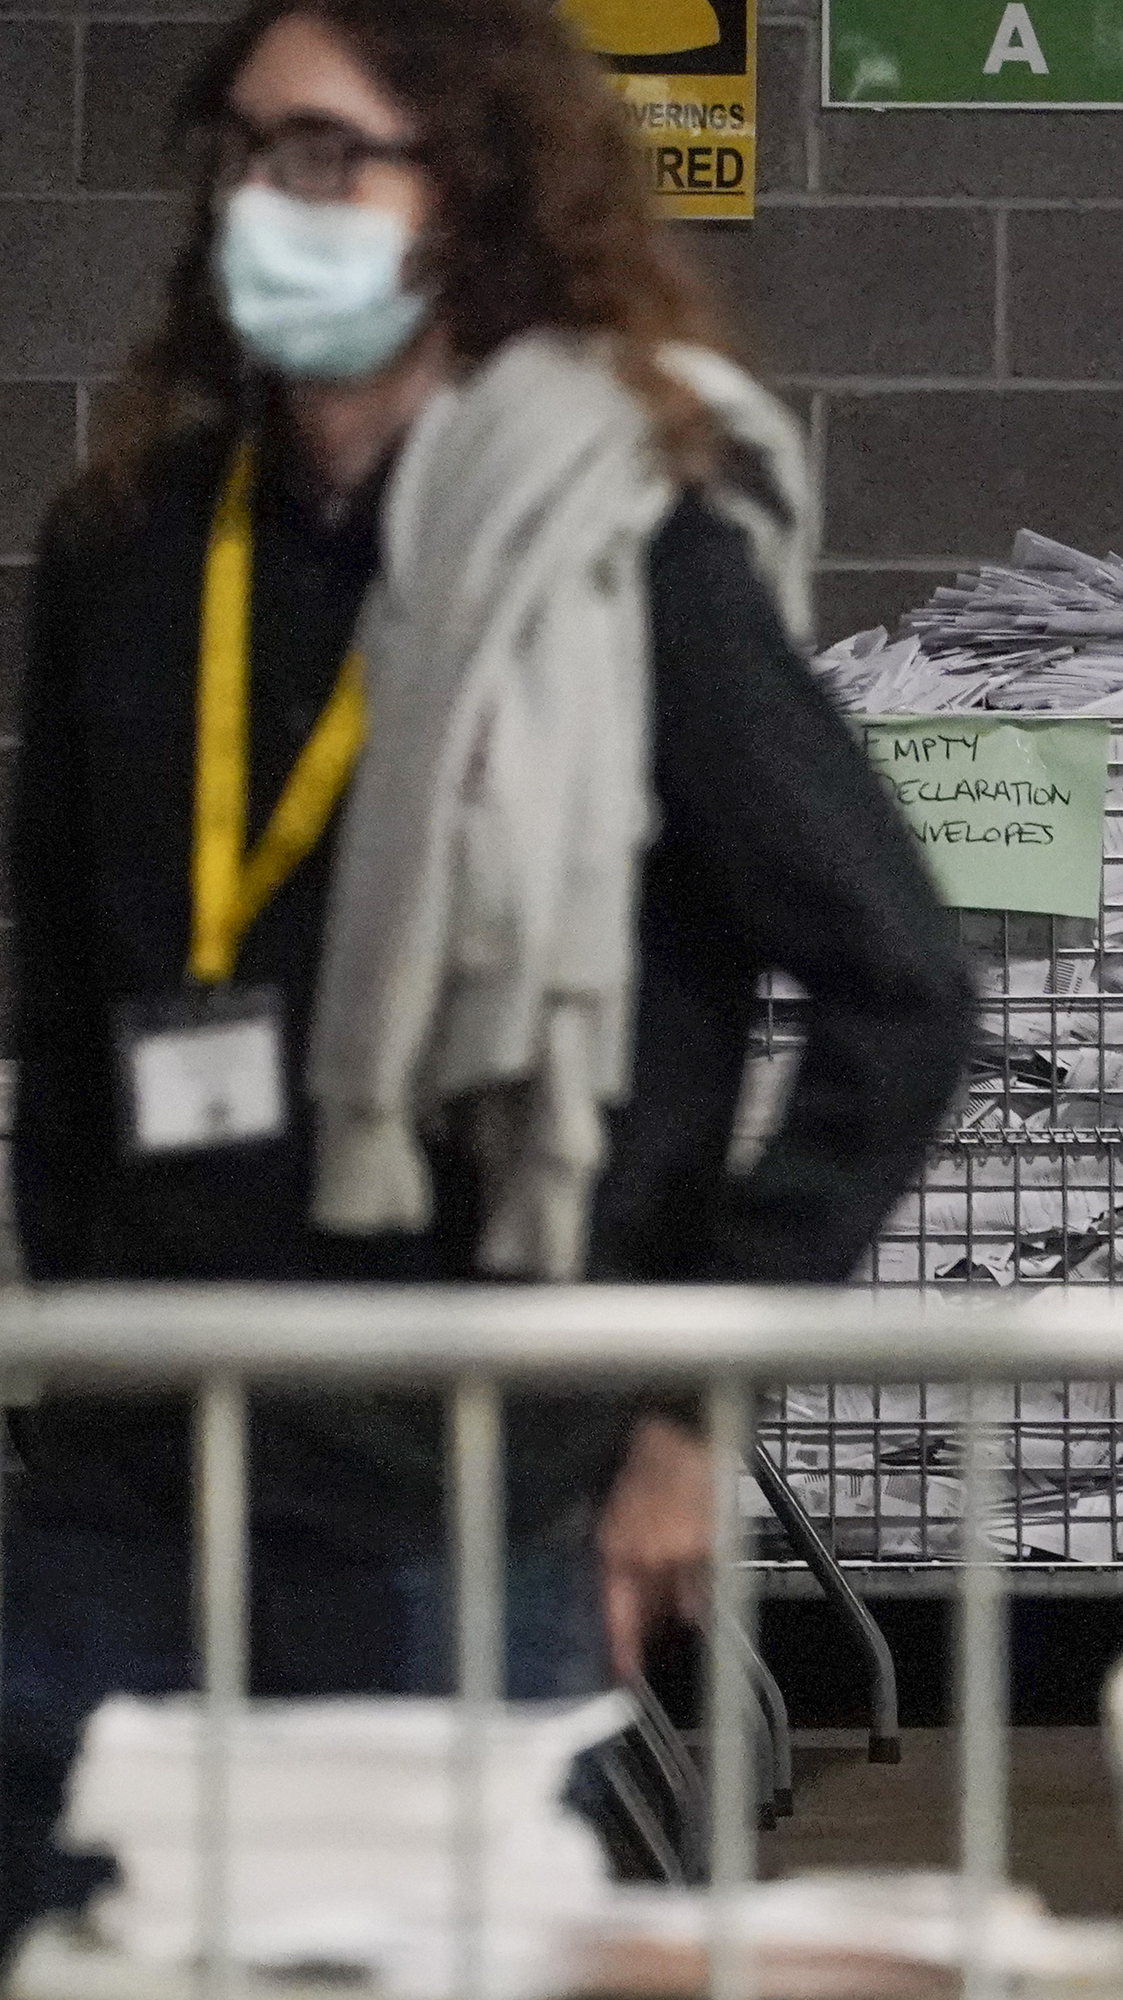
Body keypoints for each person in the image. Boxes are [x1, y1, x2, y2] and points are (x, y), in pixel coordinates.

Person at [2, 0, 974, 1947]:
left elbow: (897, 985)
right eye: (246, 151)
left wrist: (690, 1410)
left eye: (327, 154)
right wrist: (75, 1331)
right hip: (139, 1456)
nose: (268, 200)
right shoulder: (127, 548)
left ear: (480, 199)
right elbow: (70, 1007)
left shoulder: (630, 558)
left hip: (466, 1462)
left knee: (434, 1955)